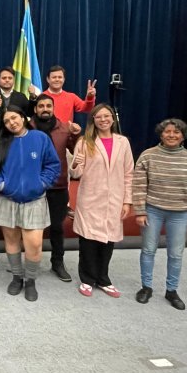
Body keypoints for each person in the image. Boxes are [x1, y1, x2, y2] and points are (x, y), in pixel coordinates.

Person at [0, 105, 60, 301]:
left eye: (14, 118)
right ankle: (17, 277)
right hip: (7, 199)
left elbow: (52, 165)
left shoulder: (40, 138)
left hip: (34, 200)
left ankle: (30, 280)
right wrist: (0, 185)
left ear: (23, 117)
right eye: (6, 121)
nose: (11, 123)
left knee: (34, 244)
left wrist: (41, 184)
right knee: (12, 241)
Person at [133, 118, 187, 311]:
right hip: (152, 211)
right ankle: (146, 287)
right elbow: (139, 186)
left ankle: (171, 290)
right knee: (148, 250)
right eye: (168, 132)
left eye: (176, 132)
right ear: (161, 134)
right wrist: (139, 210)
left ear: (183, 136)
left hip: (180, 214)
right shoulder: (148, 156)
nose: (172, 135)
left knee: (175, 254)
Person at [70, 103, 133, 298]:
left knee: (108, 241)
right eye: (99, 117)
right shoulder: (85, 141)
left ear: (112, 119)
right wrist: (76, 164)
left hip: (114, 198)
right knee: (88, 240)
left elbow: (129, 173)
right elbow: (76, 173)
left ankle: (103, 279)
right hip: (91, 197)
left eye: (106, 116)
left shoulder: (123, 142)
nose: (103, 120)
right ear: (93, 121)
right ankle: (87, 279)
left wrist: (127, 201)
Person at [30, 94, 81, 282]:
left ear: (53, 108)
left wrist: (75, 135)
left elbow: (76, 150)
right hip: (32, 186)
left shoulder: (64, 129)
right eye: (41, 106)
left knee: (57, 227)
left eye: (48, 106)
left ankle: (57, 262)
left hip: (57, 186)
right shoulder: (27, 128)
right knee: (29, 227)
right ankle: (27, 264)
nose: (45, 109)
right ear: (35, 109)